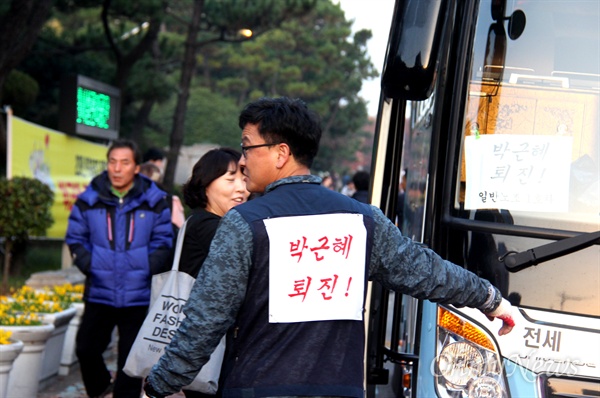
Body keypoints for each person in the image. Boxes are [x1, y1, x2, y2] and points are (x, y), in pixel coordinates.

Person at [144, 97, 515, 398]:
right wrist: (489, 298)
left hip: (257, 386)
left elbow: (205, 320)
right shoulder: (361, 219)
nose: (242, 160)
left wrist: (158, 385)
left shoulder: (245, 223)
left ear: (280, 153)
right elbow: (424, 270)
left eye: (247, 147)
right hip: (340, 387)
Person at [65, 139, 174, 398]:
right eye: (112, 162)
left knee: (130, 362)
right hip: (99, 290)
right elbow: (75, 238)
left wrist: (147, 267)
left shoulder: (154, 200)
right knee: (86, 348)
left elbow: (163, 241)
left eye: (124, 162)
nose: (117, 168)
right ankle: (102, 388)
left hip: (138, 293)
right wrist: (91, 265)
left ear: (136, 167)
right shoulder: (89, 199)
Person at [177, 147, 249, 398]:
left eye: (244, 178)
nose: (241, 188)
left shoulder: (204, 223)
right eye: (230, 179)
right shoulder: (209, 227)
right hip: (209, 349)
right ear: (205, 185)